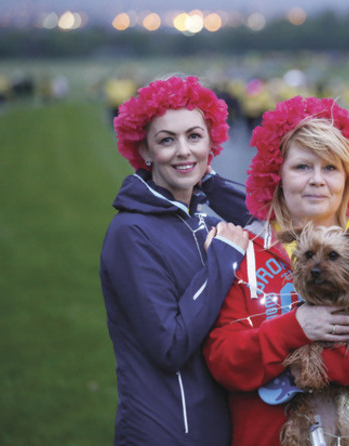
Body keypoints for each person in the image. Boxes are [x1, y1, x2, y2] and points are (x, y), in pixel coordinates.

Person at [203, 96, 349, 446]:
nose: (317, 181)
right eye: (303, 167)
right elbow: (225, 362)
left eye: (331, 168)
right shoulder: (241, 250)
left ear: (348, 178)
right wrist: (297, 328)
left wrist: (321, 359)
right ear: (276, 175)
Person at [99, 76, 251, 445]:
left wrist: (207, 181)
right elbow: (169, 345)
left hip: (216, 422)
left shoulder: (202, 220)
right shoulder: (130, 233)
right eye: (167, 140)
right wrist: (220, 262)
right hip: (165, 431)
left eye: (194, 137)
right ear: (145, 151)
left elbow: (271, 224)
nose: (183, 149)